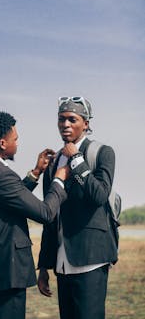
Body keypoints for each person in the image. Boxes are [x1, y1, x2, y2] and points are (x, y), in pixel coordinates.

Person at [0, 110, 70, 319]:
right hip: (5, 272)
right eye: (15, 139)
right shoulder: (1, 174)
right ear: (2, 143)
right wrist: (59, 179)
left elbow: (8, 200)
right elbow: (45, 212)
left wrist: (35, 173)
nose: (17, 144)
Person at [37, 97, 118, 319]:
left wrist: (76, 159)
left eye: (72, 119)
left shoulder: (102, 152)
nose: (65, 124)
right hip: (62, 262)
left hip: (91, 258)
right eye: (61, 119)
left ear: (86, 123)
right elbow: (50, 215)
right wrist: (44, 266)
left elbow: (99, 195)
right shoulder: (54, 162)